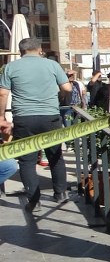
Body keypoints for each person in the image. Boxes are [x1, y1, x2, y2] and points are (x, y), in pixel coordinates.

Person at [0, 37, 72, 212]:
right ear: (40, 50)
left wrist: (1, 116)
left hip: (24, 119)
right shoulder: (52, 65)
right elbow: (67, 88)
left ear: (20, 51)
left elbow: (3, 94)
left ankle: (34, 201)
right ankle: (61, 193)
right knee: (55, 155)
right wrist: (60, 97)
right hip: (50, 117)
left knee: (27, 161)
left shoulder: (10, 67)